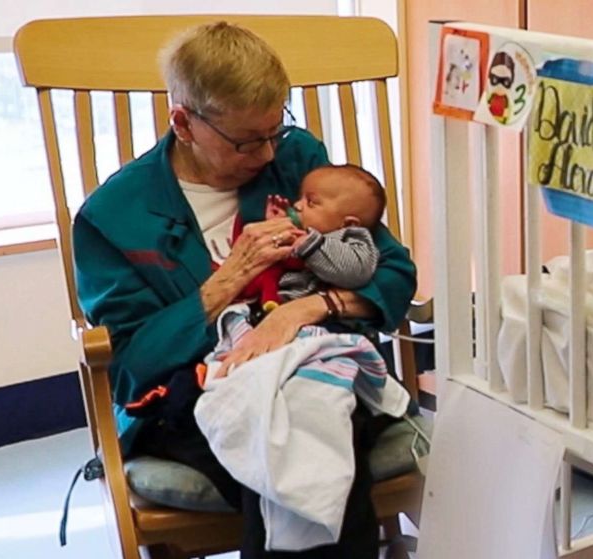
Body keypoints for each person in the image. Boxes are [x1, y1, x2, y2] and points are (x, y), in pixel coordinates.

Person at [72, 21, 416, 559]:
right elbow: (132, 365)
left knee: (306, 425)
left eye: (273, 132)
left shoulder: (296, 158)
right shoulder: (115, 217)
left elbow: (393, 271)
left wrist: (305, 308)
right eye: (245, 142)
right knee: (284, 443)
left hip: (317, 366)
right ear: (183, 123)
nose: (264, 156)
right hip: (190, 392)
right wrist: (226, 281)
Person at [231, 163, 387, 320]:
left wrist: (310, 244)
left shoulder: (353, 239)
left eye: (311, 202)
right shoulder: (304, 235)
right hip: (272, 308)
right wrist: (277, 226)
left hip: (326, 322)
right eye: (300, 198)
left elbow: (355, 272)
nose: (297, 205)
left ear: (348, 224)